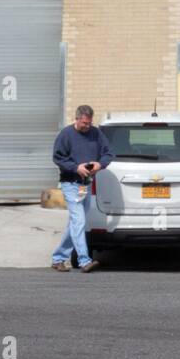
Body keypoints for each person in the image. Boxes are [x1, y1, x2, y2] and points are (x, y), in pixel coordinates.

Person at [51, 105, 116, 273]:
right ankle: (84, 260)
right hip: (71, 184)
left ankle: (58, 258)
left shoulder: (96, 133)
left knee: (75, 223)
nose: (87, 126)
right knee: (79, 221)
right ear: (77, 118)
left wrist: (99, 164)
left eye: (89, 123)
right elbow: (57, 157)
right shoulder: (66, 135)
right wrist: (75, 167)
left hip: (85, 185)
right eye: (84, 123)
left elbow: (108, 153)